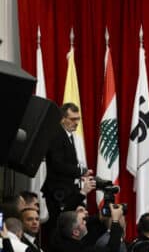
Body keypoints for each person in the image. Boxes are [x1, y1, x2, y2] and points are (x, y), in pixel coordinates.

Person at [42, 103, 93, 247]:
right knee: (58, 230)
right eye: (72, 119)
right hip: (58, 193)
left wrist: (81, 173)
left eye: (78, 119)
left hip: (66, 190)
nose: (76, 123)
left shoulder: (68, 136)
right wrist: (80, 171)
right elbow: (57, 164)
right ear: (63, 118)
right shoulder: (56, 135)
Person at [48, 205, 123, 252]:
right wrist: (115, 220)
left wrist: (98, 217)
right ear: (76, 232)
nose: (85, 222)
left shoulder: (59, 242)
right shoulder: (81, 250)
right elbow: (112, 250)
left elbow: (62, 220)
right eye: (82, 221)